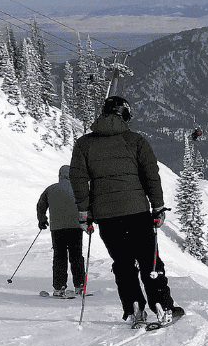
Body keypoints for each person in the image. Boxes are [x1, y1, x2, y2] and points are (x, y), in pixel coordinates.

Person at [69, 95, 182, 327]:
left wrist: (84, 213)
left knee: (123, 263)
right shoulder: (136, 141)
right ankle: (162, 305)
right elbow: (151, 175)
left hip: (107, 218)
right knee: (149, 261)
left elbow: (78, 180)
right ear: (126, 115)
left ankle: (134, 307)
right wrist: (158, 207)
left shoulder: (84, 144)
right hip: (137, 213)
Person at [36, 165, 85, 296]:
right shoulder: (78, 188)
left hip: (57, 229)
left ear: (60, 175)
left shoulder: (51, 189)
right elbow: (86, 204)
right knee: (77, 257)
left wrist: (42, 220)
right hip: (76, 228)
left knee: (59, 257)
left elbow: (41, 205)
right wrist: (87, 222)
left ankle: (59, 288)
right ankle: (80, 287)